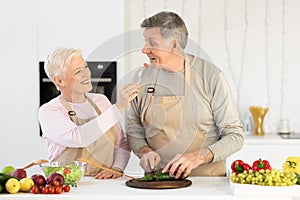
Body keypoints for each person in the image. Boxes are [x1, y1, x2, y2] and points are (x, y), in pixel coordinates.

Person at [126, 11, 244, 178]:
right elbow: (134, 131)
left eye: (152, 43)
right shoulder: (142, 77)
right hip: (158, 183)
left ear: (173, 44)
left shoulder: (210, 76)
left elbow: (235, 135)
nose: (145, 50)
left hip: (207, 183)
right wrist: (144, 151)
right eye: (145, 42)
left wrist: (197, 157)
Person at [39, 47, 139, 179]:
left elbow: (121, 143)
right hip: (67, 185)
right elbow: (79, 137)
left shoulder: (101, 101)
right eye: (78, 71)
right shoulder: (49, 111)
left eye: (85, 67)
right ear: (59, 81)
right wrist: (118, 108)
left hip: (105, 183)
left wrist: (117, 168)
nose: (86, 74)